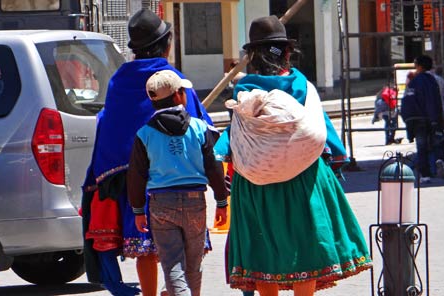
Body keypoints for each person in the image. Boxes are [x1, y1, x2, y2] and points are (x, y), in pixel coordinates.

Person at [216, 15, 372, 295]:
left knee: (263, 250)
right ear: (287, 52)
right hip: (306, 180)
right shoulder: (305, 89)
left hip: (255, 186)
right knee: (305, 246)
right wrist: (336, 163)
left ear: (252, 55)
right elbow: (328, 138)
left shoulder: (243, 93)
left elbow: (233, 136)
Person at [81, 8, 214, 296]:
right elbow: (203, 128)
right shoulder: (173, 80)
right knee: (188, 250)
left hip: (137, 186)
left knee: (146, 250)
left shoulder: (119, 82)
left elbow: (111, 129)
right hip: (179, 180)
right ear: (166, 44)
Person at [128, 70, 228, 296]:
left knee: (172, 264)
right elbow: (213, 168)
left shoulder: (144, 134)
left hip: (161, 204)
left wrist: (137, 210)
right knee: (194, 263)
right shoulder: (199, 128)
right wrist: (221, 201)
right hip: (195, 203)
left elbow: (136, 176)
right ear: (178, 96)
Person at [401, 55, 444, 183]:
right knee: (437, 143)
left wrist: (407, 119)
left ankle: (425, 175)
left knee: (421, 147)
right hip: (433, 118)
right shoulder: (436, 80)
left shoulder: (414, 82)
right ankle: (439, 159)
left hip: (417, 120)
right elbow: (439, 101)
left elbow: (407, 101)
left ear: (420, 66)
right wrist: (439, 119)